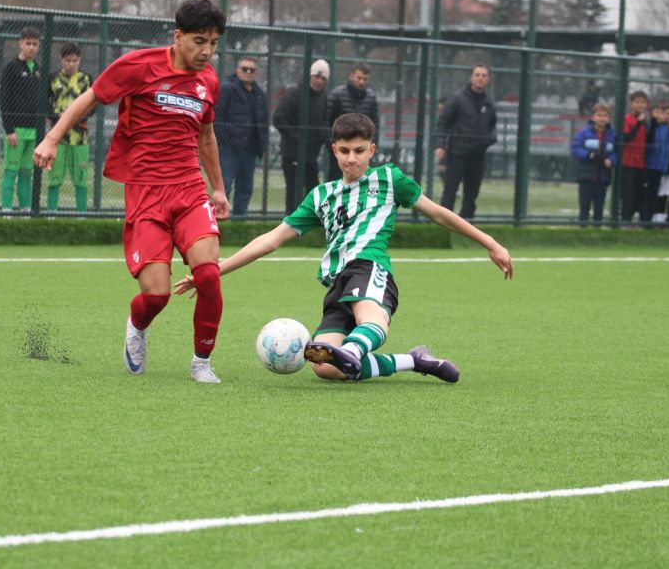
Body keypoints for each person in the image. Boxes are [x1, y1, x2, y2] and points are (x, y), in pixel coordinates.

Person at [174, 112, 513, 384]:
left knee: (371, 319)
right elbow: (270, 240)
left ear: (372, 150)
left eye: (360, 151)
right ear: (334, 150)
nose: (352, 159)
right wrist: (215, 270)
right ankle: (414, 360)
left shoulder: (389, 179)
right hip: (337, 284)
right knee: (325, 367)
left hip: (369, 266)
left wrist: (490, 243)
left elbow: (438, 213)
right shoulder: (321, 196)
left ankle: (352, 348)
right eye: (345, 151)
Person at [33, 0, 230, 383]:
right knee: (156, 295)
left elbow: (206, 136)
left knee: (208, 275)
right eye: (199, 41)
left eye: (213, 43)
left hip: (190, 189)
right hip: (146, 193)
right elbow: (90, 97)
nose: (207, 51)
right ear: (178, 37)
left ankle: (201, 362)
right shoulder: (139, 65)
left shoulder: (208, 81)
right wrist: (52, 138)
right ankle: (137, 326)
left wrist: (218, 189)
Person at [434, 63, 497, 219]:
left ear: (488, 79)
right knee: (450, 190)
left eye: (484, 75)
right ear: (471, 77)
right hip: (457, 153)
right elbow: (443, 122)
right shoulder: (458, 99)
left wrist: (489, 140)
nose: (480, 78)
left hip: (478, 156)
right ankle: (445, 222)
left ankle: (467, 222)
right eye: (477, 75)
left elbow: (492, 126)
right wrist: (440, 144)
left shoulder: (489, 103)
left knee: (472, 193)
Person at [273, 58, 330, 213]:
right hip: (292, 153)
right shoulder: (294, 94)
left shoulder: (323, 97)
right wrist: (297, 138)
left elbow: (323, 122)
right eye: (317, 76)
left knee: (313, 190)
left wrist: (326, 140)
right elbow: (278, 118)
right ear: (310, 76)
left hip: (311, 155)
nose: (319, 81)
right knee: (293, 192)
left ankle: (309, 221)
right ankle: (291, 222)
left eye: (323, 78)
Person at [214, 56, 268, 216]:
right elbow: (216, 116)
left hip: (250, 149)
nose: (248, 72)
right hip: (229, 148)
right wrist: (226, 139)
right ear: (237, 70)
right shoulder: (227, 89)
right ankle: (219, 220)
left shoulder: (259, 94)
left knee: (245, 189)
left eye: (252, 70)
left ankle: (239, 220)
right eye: (245, 69)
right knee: (225, 186)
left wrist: (261, 143)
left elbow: (263, 120)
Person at [46, 42, 94, 212]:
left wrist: (80, 116)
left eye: (75, 60)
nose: (71, 64)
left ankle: (82, 215)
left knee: (81, 179)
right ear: (61, 60)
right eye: (68, 60)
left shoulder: (86, 79)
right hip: (58, 139)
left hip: (80, 138)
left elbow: (94, 103)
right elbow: (44, 102)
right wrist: (55, 116)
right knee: (54, 178)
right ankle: (51, 214)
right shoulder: (53, 78)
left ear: (80, 60)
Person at [0, 27, 43, 212]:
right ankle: (6, 210)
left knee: (26, 173)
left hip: (34, 131)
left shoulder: (38, 69)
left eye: (35, 44)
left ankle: (25, 209)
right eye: (28, 43)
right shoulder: (11, 67)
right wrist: (9, 129)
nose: (31, 47)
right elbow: (4, 99)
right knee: (11, 172)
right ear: (20, 43)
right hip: (16, 130)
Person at [326, 62, 378, 180]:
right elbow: (326, 122)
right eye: (359, 78)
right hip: (340, 148)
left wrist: (369, 145)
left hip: (362, 148)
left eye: (365, 79)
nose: (362, 82)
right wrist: (333, 144)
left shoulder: (371, 97)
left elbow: (376, 125)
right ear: (351, 76)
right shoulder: (337, 95)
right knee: (336, 180)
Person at [570, 102, 616, 225]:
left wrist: (611, 160)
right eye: (599, 115)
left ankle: (597, 229)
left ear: (609, 118)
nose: (602, 118)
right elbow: (575, 148)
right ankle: (583, 228)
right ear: (593, 117)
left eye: (605, 115)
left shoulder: (612, 134)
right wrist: (588, 155)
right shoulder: (584, 133)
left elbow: (616, 152)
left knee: (599, 205)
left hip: (603, 176)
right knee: (585, 204)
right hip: (586, 175)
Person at [620, 90, 650, 224]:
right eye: (637, 102)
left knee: (641, 193)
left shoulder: (646, 122)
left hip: (641, 163)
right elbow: (626, 138)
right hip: (628, 162)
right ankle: (625, 221)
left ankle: (640, 222)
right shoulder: (627, 119)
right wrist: (638, 123)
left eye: (643, 102)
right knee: (628, 193)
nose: (640, 105)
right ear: (631, 104)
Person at [646, 101, 669, 225]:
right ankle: (646, 220)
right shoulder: (649, 127)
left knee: (657, 194)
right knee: (648, 194)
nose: (659, 115)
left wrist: (664, 165)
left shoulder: (666, 129)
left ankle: (653, 219)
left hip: (659, 167)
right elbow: (647, 147)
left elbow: (666, 149)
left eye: (661, 112)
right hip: (649, 166)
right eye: (656, 112)